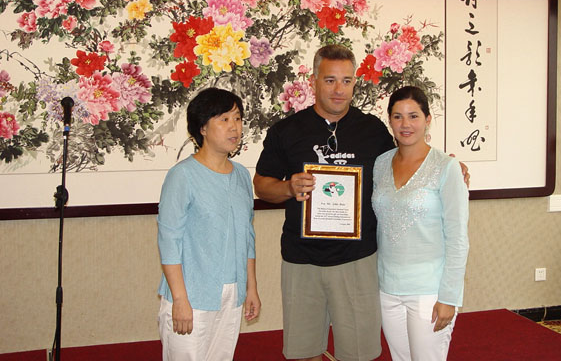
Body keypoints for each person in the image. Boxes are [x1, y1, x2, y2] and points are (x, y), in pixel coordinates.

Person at [254, 44, 396, 361]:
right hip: (301, 260)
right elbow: (261, 185)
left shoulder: (373, 131)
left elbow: (403, 170)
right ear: (314, 81)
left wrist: (444, 168)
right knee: (304, 353)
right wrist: (288, 187)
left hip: (357, 259)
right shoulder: (286, 131)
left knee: (359, 354)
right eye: (330, 80)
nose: (338, 90)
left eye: (346, 81)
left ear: (355, 82)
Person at [157, 87, 260, 361]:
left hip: (232, 294)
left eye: (237, 118)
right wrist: (180, 299)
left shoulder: (241, 175)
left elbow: (247, 237)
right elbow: (169, 240)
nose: (234, 127)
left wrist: (251, 288)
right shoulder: (182, 176)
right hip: (192, 295)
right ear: (202, 127)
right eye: (224, 119)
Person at [372, 86, 469, 361]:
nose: (405, 124)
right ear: (390, 121)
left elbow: (458, 238)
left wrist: (449, 297)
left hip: (429, 291)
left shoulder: (446, 167)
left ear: (427, 119)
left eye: (413, 116)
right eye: (398, 116)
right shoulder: (380, 164)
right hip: (387, 289)